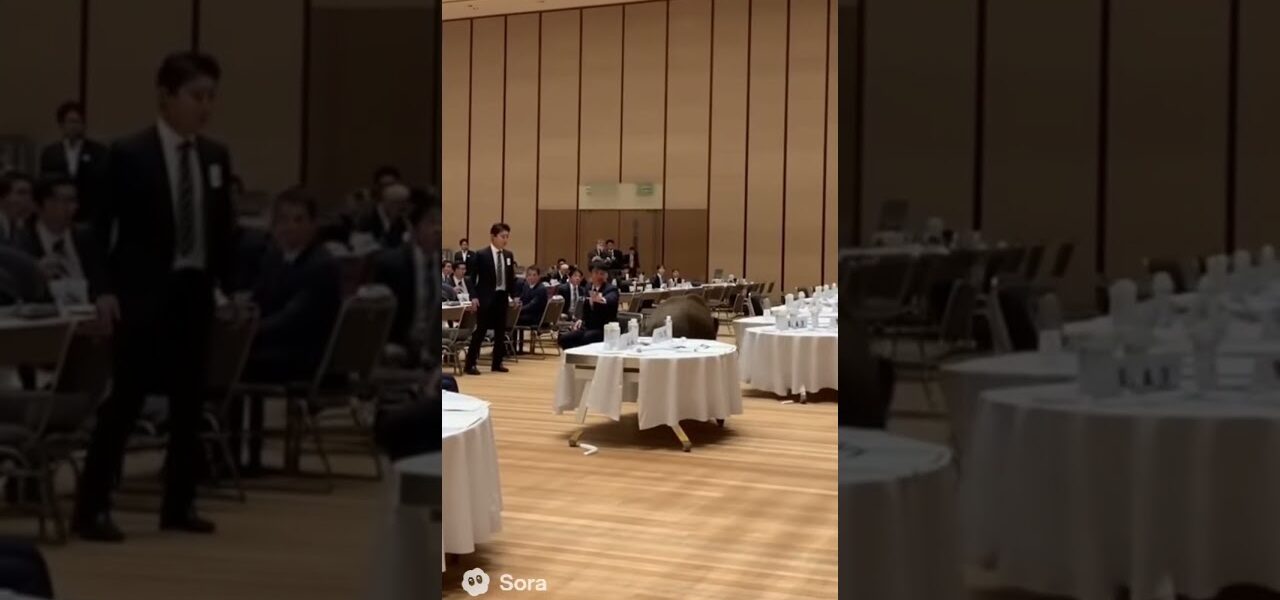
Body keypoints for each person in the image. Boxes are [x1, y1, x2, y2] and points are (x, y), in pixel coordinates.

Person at [74, 51, 236, 542]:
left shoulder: (214, 156)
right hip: (143, 292)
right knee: (126, 400)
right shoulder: (129, 153)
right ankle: (92, 507)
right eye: (196, 96)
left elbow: (222, 228)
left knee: (190, 402)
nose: (205, 107)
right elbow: (94, 228)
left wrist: (226, 286)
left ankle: (179, 503)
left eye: (211, 97)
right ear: (166, 97)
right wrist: (103, 289)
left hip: (194, 289)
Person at [234, 189, 343, 473]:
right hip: (278, 347)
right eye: (282, 219)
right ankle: (232, 454)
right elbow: (258, 300)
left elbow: (293, 319)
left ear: (313, 225)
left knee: (228, 365)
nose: (289, 227)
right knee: (225, 359)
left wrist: (250, 331)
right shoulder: (274, 258)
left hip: (302, 355)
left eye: (298, 220)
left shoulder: (321, 265)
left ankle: (231, 455)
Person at [11, 175, 106, 302]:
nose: (72, 207)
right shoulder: (21, 241)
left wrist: (103, 296)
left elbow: (101, 280)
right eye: (65, 201)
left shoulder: (85, 236)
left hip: (88, 308)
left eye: (74, 201)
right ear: (39, 205)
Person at [373, 189, 436, 369]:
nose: (438, 229)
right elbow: (375, 317)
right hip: (399, 353)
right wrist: (384, 345)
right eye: (431, 222)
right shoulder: (391, 264)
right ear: (414, 228)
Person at [38, 101, 108, 223]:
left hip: (90, 211)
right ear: (61, 124)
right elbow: (45, 182)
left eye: (78, 122)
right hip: (59, 209)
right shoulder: (50, 153)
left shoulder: (99, 151)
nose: (74, 126)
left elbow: (103, 183)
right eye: (71, 121)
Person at [463, 223, 516, 375]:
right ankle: (470, 364)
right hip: (485, 297)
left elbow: (510, 278)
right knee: (481, 330)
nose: (505, 240)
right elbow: (470, 278)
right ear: (493, 236)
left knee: (500, 331)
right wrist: (473, 296)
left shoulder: (508, 255)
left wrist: (514, 295)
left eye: (507, 237)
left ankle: (497, 363)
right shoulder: (481, 254)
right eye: (502, 236)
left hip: (502, 296)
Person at [558, 265, 619, 350]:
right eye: (596, 273)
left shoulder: (611, 289)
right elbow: (585, 309)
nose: (599, 276)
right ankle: (575, 356)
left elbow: (611, 299)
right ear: (592, 275)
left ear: (606, 276)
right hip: (587, 326)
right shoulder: (588, 287)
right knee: (564, 338)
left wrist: (601, 299)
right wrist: (581, 319)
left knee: (585, 339)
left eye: (602, 274)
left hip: (603, 328)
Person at [356, 181, 411, 248]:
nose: (403, 207)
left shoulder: (402, 219)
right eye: (399, 203)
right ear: (387, 202)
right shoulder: (368, 218)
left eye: (405, 203)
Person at [0, 171, 35, 244]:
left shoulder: (23, 228)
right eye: (21, 193)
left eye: (30, 194)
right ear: (2, 197)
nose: (28, 198)